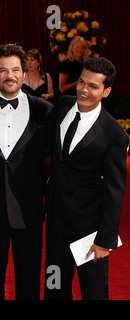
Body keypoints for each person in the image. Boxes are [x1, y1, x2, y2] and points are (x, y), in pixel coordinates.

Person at [0, 44, 54, 300]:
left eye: (16, 69)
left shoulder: (45, 111)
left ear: (24, 73)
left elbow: (53, 153)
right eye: (3, 70)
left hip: (28, 211)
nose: (10, 75)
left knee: (29, 281)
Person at [44, 57, 129, 300]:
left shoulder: (114, 135)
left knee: (94, 292)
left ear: (107, 91)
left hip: (88, 230)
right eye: (82, 81)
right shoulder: (63, 105)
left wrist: (105, 240)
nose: (83, 89)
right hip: (56, 222)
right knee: (54, 285)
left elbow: (115, 191)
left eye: (93, 86)